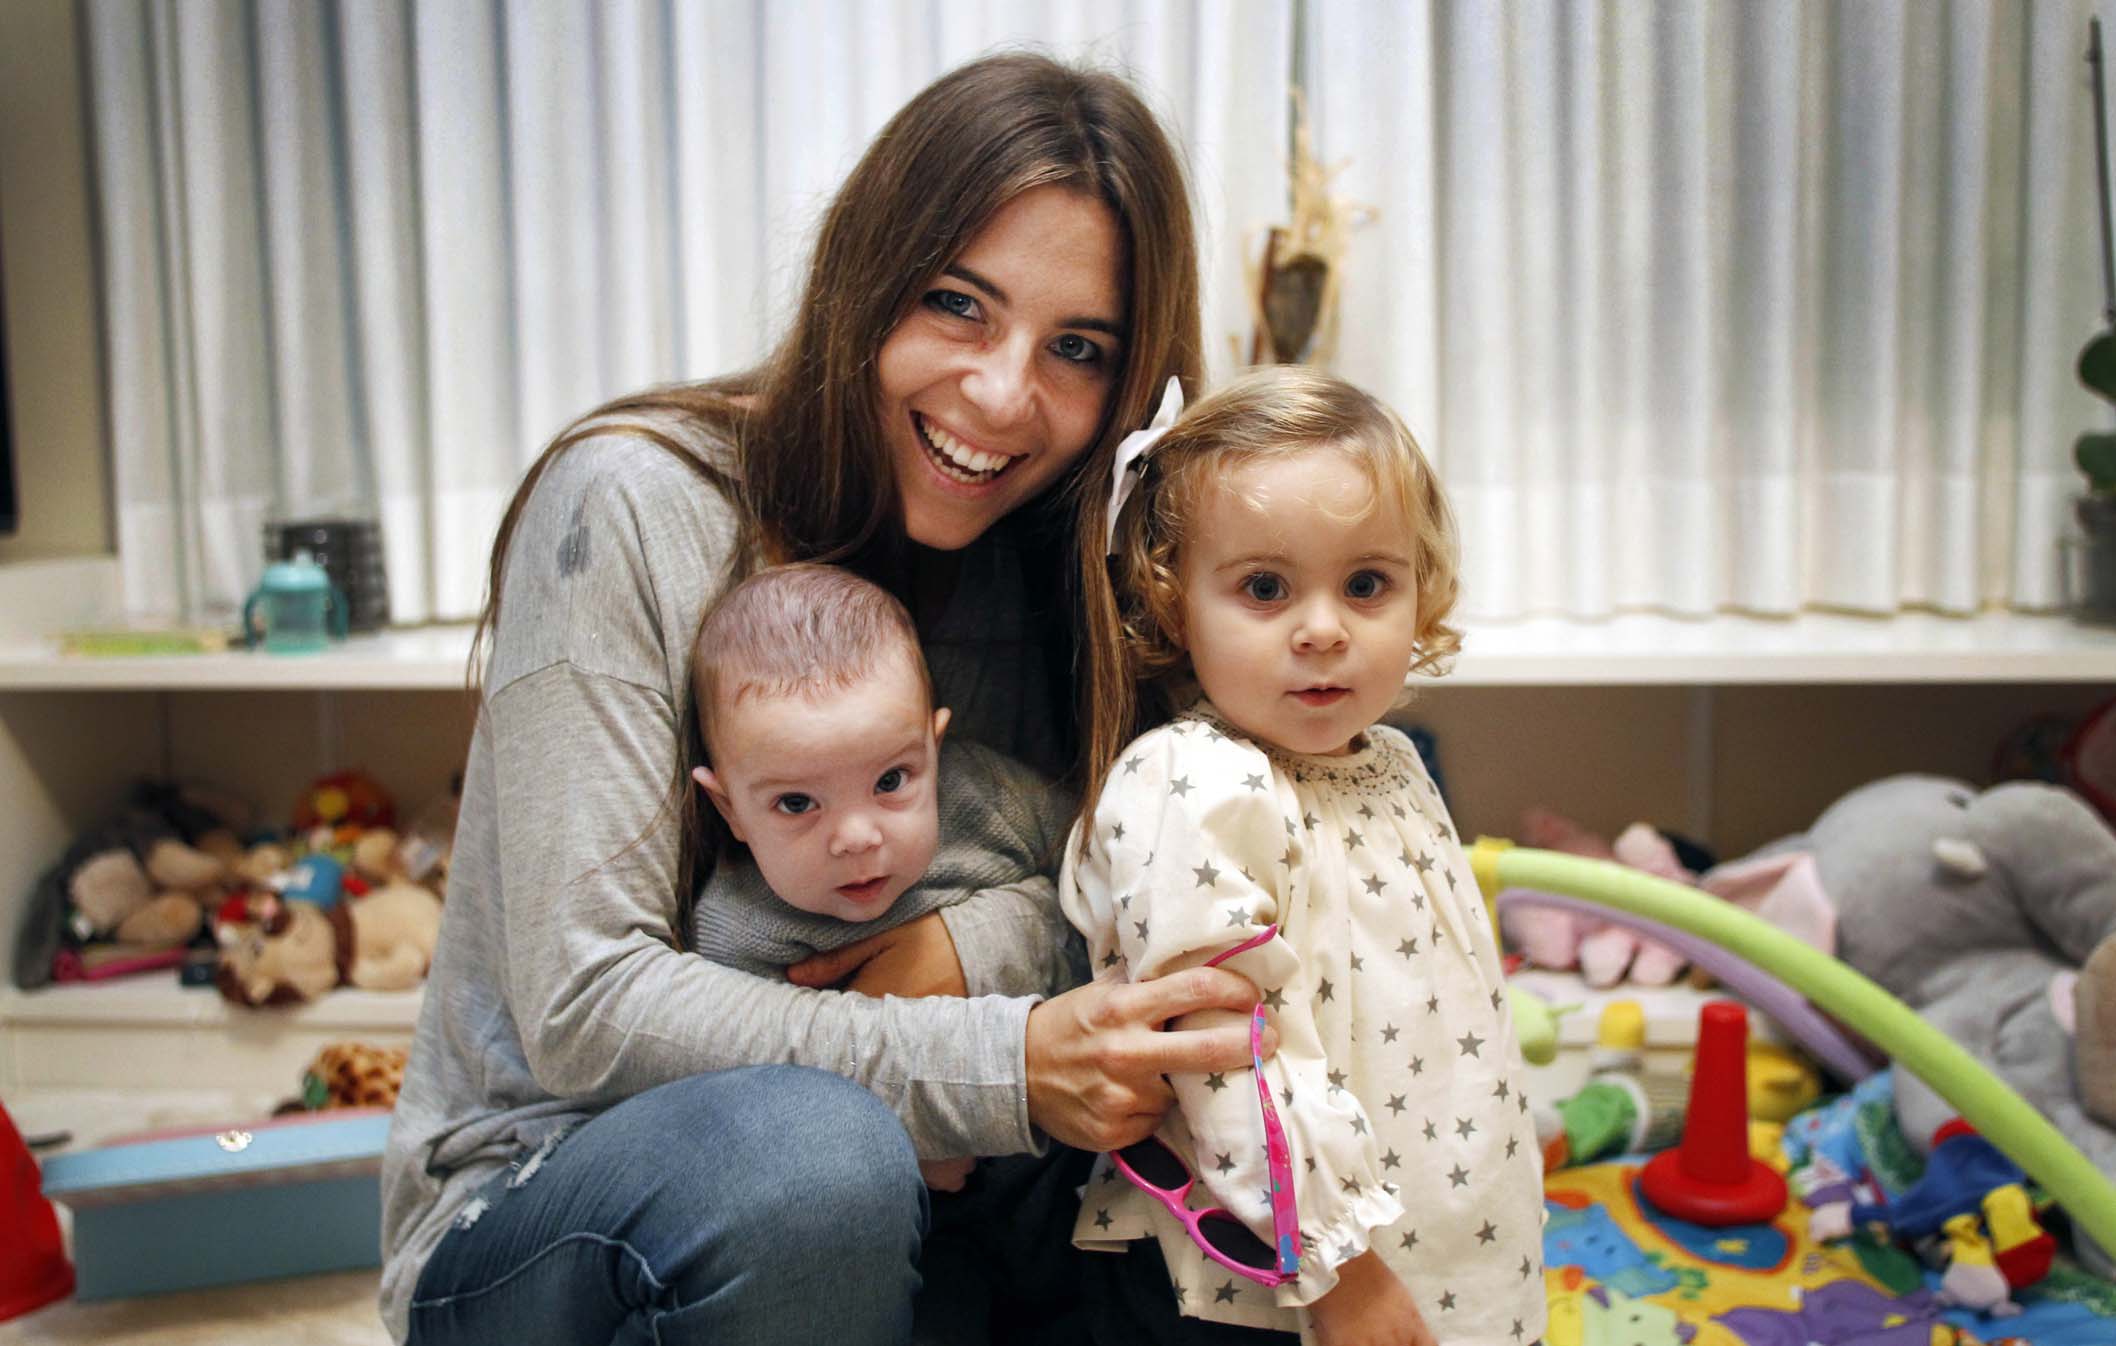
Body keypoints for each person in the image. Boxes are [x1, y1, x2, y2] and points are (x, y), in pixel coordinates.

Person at [381, 52, 1274, 1346]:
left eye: (1076, 347)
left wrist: (962, 955)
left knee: (1223, 1170)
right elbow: (586, 1006)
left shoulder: (1061, 556)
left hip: (943, 1202)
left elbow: (1154, 898)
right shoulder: (632, 504)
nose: (1004, 395)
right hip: (564, 1195)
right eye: (960, 306)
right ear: (870, 275)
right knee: (815, 1160)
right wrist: (995, 1059)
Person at [1060, 366, 1548, 1346]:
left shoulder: (1395, 763)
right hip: (1268, 1275)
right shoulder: (1192, 784)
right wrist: (1337, 1267)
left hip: (1429, 1225)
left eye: (1366, 583)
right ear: (1173, 605)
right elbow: (1224, 1055)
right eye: (1265, 587)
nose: (1323, 627)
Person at [681, 562, 1071, 1192]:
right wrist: (913, 1135)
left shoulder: (990, 800)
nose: (858, 837)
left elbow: (1106, 863)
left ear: (933, 749)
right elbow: (742, 1103)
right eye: (797, 804)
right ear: (730, 809)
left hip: (1058, 1159)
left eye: (891, 782)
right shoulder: (734, 935)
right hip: (887, 1200)